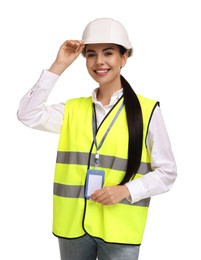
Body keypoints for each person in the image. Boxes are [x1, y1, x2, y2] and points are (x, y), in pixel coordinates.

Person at [17, 18, 177, 260]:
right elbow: (27, 114)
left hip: (120, 230)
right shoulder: (72, 110)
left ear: (124, 58)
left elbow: (167, 172)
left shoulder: (147, 111)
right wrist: (58, 65)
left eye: (109, 53)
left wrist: (125, 191)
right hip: (73, 227)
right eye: (91, 54)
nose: (99, 61)